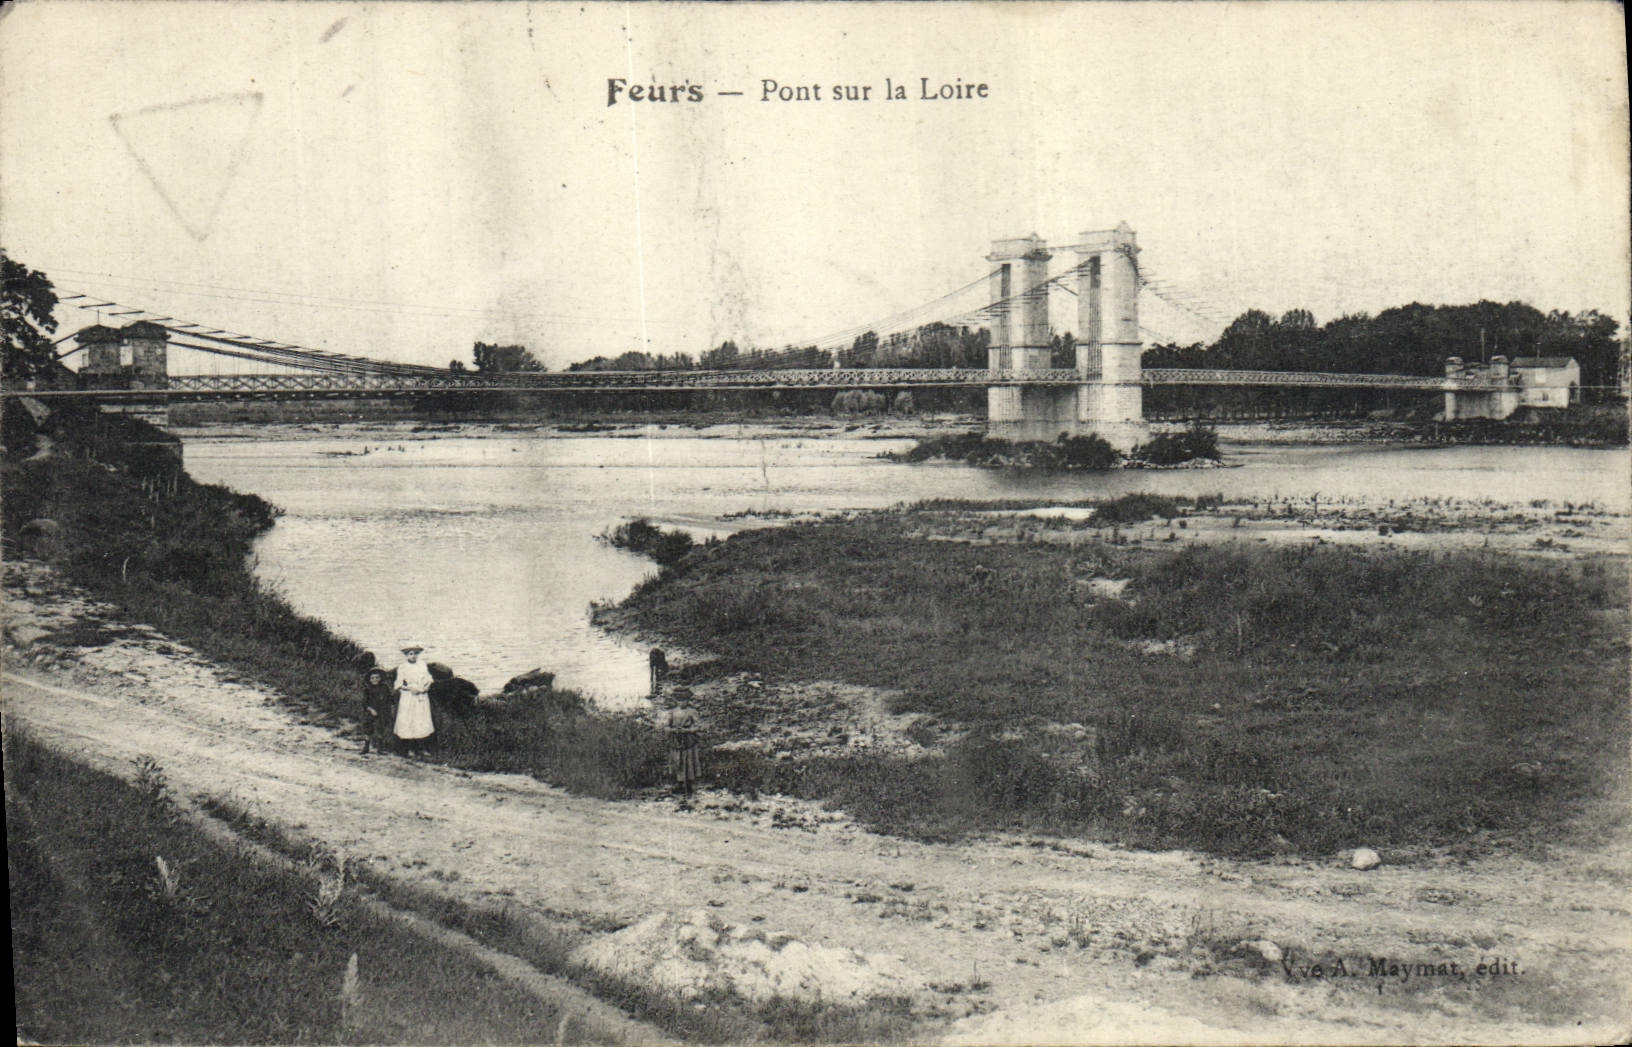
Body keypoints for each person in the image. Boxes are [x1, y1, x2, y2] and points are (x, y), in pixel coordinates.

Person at [658, 686, 703, 803]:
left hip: (688, 739)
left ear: (688, 700)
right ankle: (679, 783)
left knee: (688, 760)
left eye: (684, 700)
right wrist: (672, 730)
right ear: (675, 700)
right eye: (679, 700)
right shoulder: (672, 712)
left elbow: (698, 726)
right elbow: (667, 726)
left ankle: (689, 785)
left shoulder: (692, 712)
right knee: (677, 760)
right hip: (676, 739)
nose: (682, 702)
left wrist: (687, 730)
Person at [393, 643, 437, 758]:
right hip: (409, 697)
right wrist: (409, 688)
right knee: (409, 721)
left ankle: (421, 748)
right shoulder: (403, 667)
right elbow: (398, 684)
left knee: (421, 721)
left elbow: (429, 679)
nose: (413, 656)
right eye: (410, 654)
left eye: (415, 654)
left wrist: (427, 687)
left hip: (422, 696)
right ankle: (409, 749)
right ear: (406, 655)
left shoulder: (422, 665)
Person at [359, 665, 397, 756]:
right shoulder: (367, 689)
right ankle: (366, 747)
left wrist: (392, 701)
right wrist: (370, 709)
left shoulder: (384, 688)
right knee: (368, 729)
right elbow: (364, 702)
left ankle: (380, 748)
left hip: (382, 712)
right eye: (372, 678)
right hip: (370, 712)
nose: (375, 679)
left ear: (380, 678)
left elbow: (390, 699)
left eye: (377, 677)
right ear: (369, 679)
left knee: (380, 729)